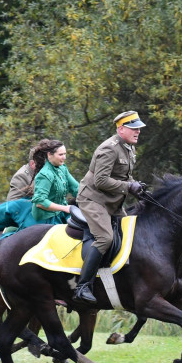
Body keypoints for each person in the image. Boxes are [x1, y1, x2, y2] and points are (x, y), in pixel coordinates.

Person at [72, 110, 147, 304]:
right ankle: (82, 286)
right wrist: (128, 186)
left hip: (112, 202)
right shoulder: (109, 148)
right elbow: (101, 180)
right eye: (133, 129)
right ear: (121, 129)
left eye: (139, 128)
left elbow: (123, 176)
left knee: (131, 232)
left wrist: (136, 186)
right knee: (105, 238)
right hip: (93, 199)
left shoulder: (129, 148)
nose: (138, 132)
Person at [31, 138, 79, 224]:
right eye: (60, 154)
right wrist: (64, 208)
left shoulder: (62, 168)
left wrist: (91, 200)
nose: (64, 157)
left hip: (61, 213)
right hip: (46, 218)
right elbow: (40, 202)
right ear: (49, 154)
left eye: (65, 154)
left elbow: (75, 188)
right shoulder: (45, 174)